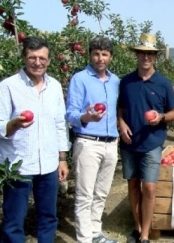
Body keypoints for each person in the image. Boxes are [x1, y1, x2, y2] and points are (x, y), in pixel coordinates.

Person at [0, 36, 69, 243]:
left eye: (42, 58)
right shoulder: (8, 86)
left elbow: (59, 124)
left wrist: (62, 158)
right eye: (32, 57)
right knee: (14, 220)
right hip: (18, 165)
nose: (37, 62)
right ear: (24, 57)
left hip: (48, 164)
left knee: (48, 217)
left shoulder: (55, 86)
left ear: (48, 60)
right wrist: (15, 124)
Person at [117, 33, 174, 243]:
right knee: (133, 185)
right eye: (142, 53)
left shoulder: (163, 83)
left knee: (149, 186)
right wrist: (121, 122)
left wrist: (161, 117)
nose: (146, 57)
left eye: (150, 54)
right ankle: (138, 226)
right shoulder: (126, 82)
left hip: (152, 143)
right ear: (137, 55)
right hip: (129, 142)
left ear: (155, 57)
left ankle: (145, 235)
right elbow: (121, 107)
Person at [66, 36, 119, 243]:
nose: (100, 58)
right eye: (96, 54)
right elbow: (70, 114)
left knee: (101, 193)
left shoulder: (116, 81)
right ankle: (84, 238)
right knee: (84, 194)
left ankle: (96, 232)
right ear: (90, 55)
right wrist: (86, 117)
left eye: (104, 54)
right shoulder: (79, 79)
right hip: (88, 142)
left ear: (110, 57)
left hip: (111, 143)